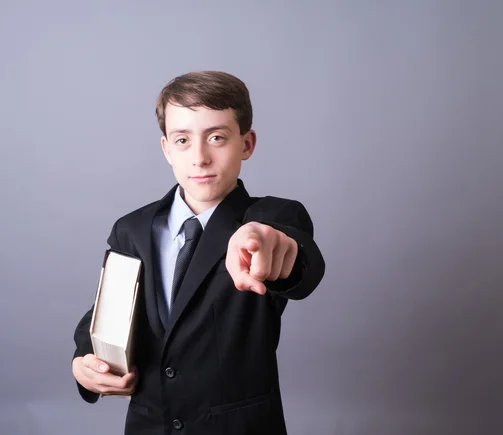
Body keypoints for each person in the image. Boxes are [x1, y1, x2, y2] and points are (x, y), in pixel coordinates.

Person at [71, 71, 326, 434]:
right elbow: (106, 311)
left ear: (247, 144)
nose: (200, 157)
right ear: (166, 149)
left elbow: (301, 264)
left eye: (217, 137)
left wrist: (267, 242)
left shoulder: (273, 217)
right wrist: (83, 361)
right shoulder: (131, 229)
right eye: (182, 140)